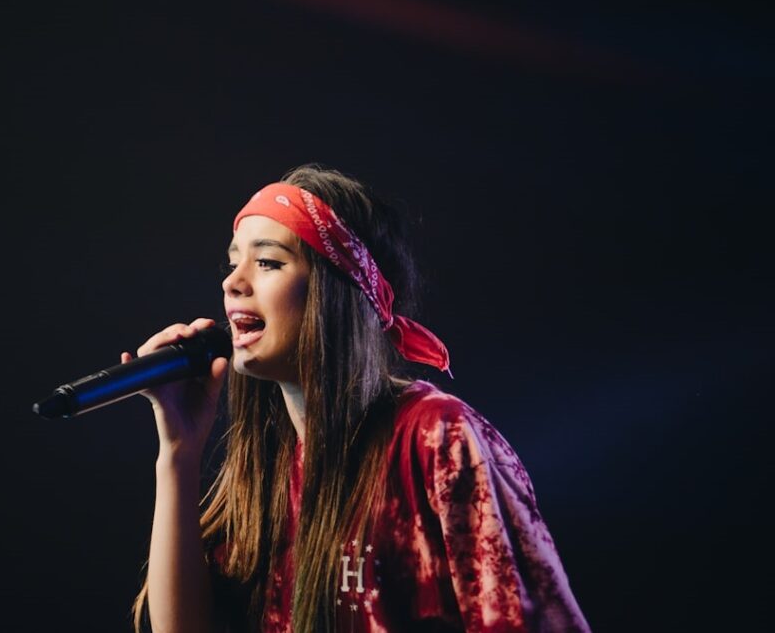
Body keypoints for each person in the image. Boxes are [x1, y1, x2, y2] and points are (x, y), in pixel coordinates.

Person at [129, 165, 590, 632]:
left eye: (267, 262)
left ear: (338, 287)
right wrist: (179, 452)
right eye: (233, 263)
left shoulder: (435, 437)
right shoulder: (267, 464)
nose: (233, 283)